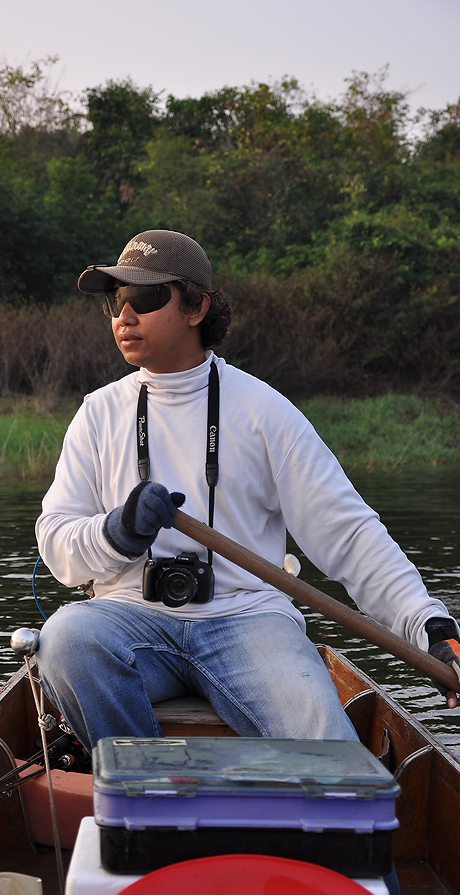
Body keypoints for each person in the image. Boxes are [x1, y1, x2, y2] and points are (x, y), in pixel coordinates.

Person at [35, 229, 460, 756]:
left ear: (196, 308)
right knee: (66, 638)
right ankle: (145, 792)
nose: (125, 315)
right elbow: (56, 544)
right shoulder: (97, 414)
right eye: (114, 301)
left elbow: (349, 535)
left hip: (250, 623)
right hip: (131, 625)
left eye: (144, 298)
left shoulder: (265, 411)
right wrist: (118, 531)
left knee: (329, 750)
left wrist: (428, 624)